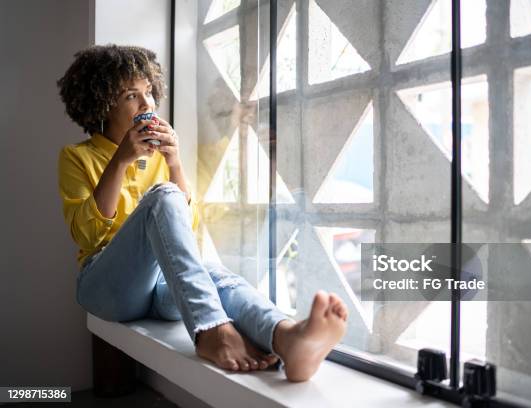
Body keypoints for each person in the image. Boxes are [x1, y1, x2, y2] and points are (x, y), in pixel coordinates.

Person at [57, 44, 348, 382]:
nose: (147, 104)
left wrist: (174, 162)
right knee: (165, 196)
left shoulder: (156, 158)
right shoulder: (76, 157)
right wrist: (121, 160)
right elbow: (88, 235)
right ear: (102, 104)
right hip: (106, 287)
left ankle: (287, 336)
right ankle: (212, 330)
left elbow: (185, 231)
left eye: (148, 92)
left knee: (215, 274)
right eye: (130, 96)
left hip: (158, 287)